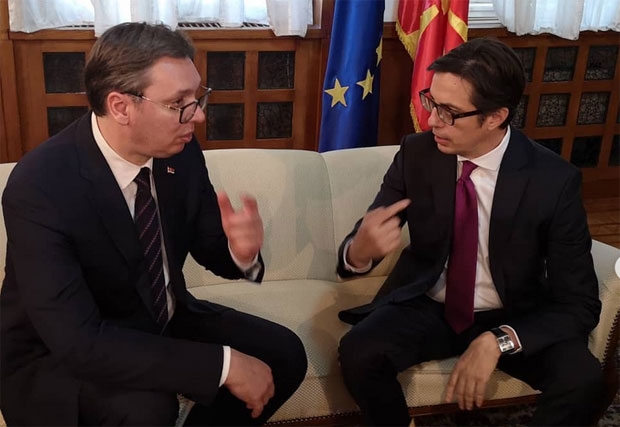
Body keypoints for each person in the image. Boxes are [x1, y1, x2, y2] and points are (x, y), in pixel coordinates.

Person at [0, 22, 306, 426]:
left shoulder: (179, 151)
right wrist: (223, 365)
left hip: (159, 317)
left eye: (197, 96)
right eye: (179, 102)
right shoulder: (40, 185)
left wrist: (240, 253)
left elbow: (209, 244)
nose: (198, 115)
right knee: (147, 410)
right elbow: (78, 341)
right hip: (63, 351)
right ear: (121, 107)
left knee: (284, 354)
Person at [336, 37, 604, 426]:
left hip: (515, 312)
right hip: (429, 304)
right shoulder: (416, 154)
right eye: (431, 102)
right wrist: (359, 252)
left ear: (495, 116)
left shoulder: (553, 181)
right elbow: (364, 238)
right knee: (359, 352)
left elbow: (580, 304)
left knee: (583, 380)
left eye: (449, 112)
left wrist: (499, 340)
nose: (432, 121)